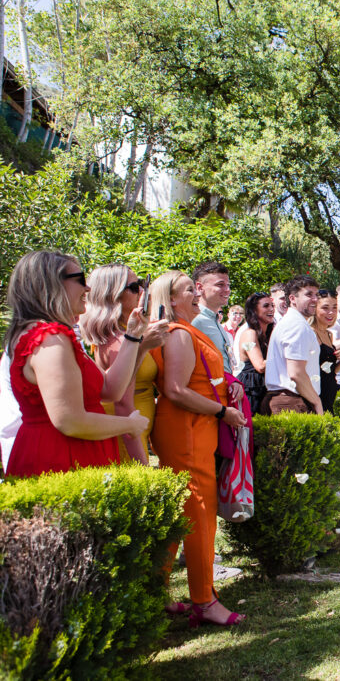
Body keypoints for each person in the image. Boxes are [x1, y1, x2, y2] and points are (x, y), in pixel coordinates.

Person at [148, 270, 247, 625]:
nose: (195, 293)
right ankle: (204, 600)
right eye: (188, 290)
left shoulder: (186, 332)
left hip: (198, 427)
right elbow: (175, 390)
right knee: (200, 514)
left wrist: (227, 388)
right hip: (187, 430)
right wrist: (223, 410)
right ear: (170, 300)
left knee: (183, 512)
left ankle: (154, 593)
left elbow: (202, 379)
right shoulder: (176, 334)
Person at [4, 252, 150, 477]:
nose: (88, 289)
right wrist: (128, 425)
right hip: (60, 457)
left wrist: (132, 336)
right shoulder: (50, 338)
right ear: (52, 284)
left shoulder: (52, 335)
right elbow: (70, 421)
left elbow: (109, 390)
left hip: (73, 451)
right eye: (80, 279)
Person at [79, 263, 168, 464]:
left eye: (144, 284)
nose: (143, 292)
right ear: (114, 295)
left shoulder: (122, 335)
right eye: (135, 286)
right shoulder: (118, 341)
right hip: (128, 436)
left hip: (133, 430)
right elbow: (122, 403)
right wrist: (142, 464)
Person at [263, 275, 323, 414]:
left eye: (316, 295)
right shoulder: (296, 325)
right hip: (291, 402)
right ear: (292, 299)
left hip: (289, 400)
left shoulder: (293, 322)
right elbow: (296, 373)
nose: (315, 299)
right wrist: (317, 402)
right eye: (308, 294)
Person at [190, 261, 235, 375]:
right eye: (220, 285)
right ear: (200, 287)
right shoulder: (194, 321)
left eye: (228, 285)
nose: (227, 290)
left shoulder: (215, 321)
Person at [237, 292, 275, 412]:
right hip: (251, 390)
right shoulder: (249, 334)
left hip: (264, 388)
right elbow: (260, 366)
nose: (271, 309)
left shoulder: (268, 334)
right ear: (254, 310)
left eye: (272, 305)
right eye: (266, 306)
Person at [311, 288, 340, 412]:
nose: (331, 312)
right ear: (315, 309)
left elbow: (329, 371)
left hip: (330, 391)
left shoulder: (329, 334)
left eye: (334, 308)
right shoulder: (310, 333)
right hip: (316, 393)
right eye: (325, 308)